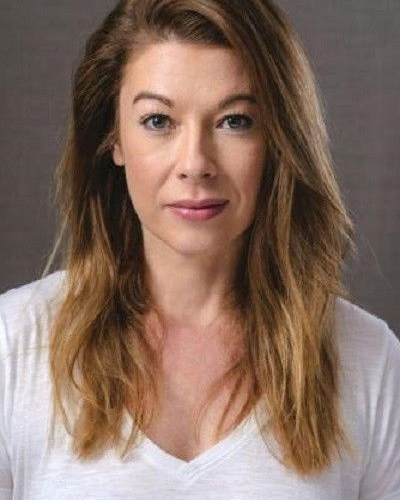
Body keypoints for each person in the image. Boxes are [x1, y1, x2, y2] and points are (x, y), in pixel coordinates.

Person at [1, 0, 399, 498]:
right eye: (158, 121)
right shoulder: (11, 347)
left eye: (234, 121)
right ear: (113, 139)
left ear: (279, 139)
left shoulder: (371, 362)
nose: (195, 163)